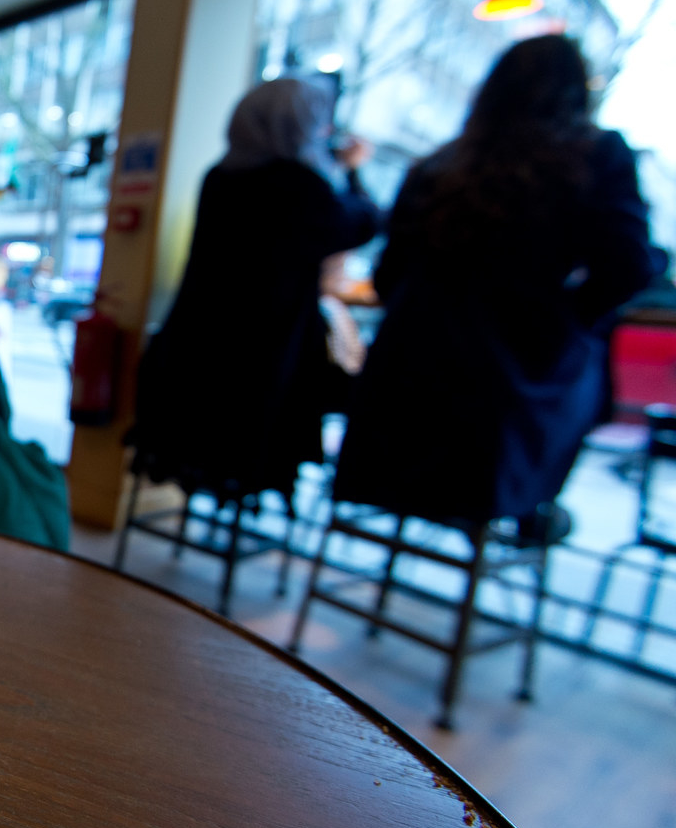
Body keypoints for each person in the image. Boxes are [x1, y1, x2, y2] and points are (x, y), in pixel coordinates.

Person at [333, 35, 661, 537]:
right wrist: (561, 319)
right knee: (573, 384)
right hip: (503, 408)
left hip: (399, 404)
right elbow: (630, 265)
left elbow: (388, 277)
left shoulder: (438, 165)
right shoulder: (595, 154)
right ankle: (534, 512)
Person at [127, 76, 381, 501]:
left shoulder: (220, 178)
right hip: (261, 361)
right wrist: (352, 172)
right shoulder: (300, 186)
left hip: (193, 347)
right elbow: (363, 223)